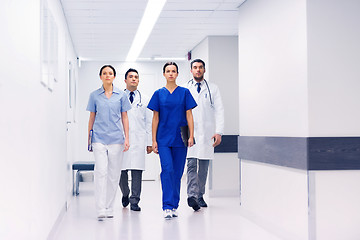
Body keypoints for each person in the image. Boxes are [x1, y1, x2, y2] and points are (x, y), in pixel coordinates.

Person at [147, 62, 197, 219]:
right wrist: (153, 140)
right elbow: (155, 118)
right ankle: (167, 206)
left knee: (177, 173)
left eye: (173, 71)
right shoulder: (158, 94)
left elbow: (189, 115)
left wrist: (191, 136)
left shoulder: (184, 92)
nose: (170, 73)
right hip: (163, 139)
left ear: (177, 74)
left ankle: (174, 205)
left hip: (180, 138)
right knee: (167, 170)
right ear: (164, 74)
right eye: (168, 71)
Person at [87, 65, 131, 221]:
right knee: (101, 172)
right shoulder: (94, 95)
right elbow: (92, 117)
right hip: (99, 138)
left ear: (114, 76)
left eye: (110, 73)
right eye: (104, 73)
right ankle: (100, 208)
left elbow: (124, 117)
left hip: (116, 139)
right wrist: (89, 137)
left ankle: (109, 207)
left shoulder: (121, 95)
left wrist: (127, 138)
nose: (107, 75)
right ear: (100, 77)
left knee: (113, 174)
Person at [184, 59, 224, 211]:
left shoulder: (213, 88)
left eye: (200, 67)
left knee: (204, 167)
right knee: (191, 164)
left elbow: (219, 110)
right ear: (191, 70)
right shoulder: (185, 88)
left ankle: (200, 195)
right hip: (190, 133)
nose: (198, 70)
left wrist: (219, 132)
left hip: (207, 133)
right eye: (195, 67)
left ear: (204, 70)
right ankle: (192, 196)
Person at [119, 68, 152, 212]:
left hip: (139, 139)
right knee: (121, 171)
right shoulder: (118, 97)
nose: (134, 79)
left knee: (137, 171)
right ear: (125, 80)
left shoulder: (145, 99)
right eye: (131, 77)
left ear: (138, 80)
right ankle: (125, 193)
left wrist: (150, 142)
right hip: (121, 139)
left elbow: (149, 122)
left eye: (136, 77)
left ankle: (134, 200)